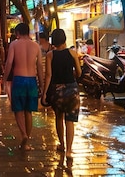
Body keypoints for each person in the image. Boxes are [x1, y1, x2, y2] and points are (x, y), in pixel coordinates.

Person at [42, 29, 81, 165]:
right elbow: (79, 72)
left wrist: (44, 93)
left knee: (59, 117)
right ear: (64, 40)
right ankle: (69, 150)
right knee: (69, 120)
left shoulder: (50, 55)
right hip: (72, 90)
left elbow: (48, 76)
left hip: (57, 91)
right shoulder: (73, 53)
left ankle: (62, 144)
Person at [3, 22, 44, 151]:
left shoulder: (14, 44)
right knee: (29, 111)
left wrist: (4, 79)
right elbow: (40, 67)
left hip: (19, 79)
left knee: (18, 110)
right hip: (32, 80)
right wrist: (42, 85)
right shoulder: (36, 46)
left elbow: (9, 63)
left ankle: (23, 134)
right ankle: (26, 143)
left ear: (18, 33)